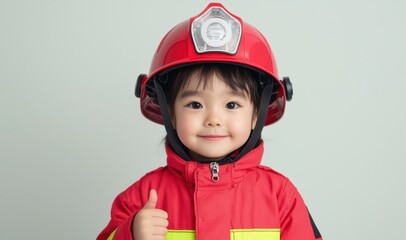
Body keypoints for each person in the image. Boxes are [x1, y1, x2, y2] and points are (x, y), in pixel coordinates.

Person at [97, 2, 322, 240]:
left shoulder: (280, 197)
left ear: (257, 114)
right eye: (195, 105)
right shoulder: (142, 198)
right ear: (170, 112)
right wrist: (130, 234)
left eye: (231, 105)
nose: (213, 119)